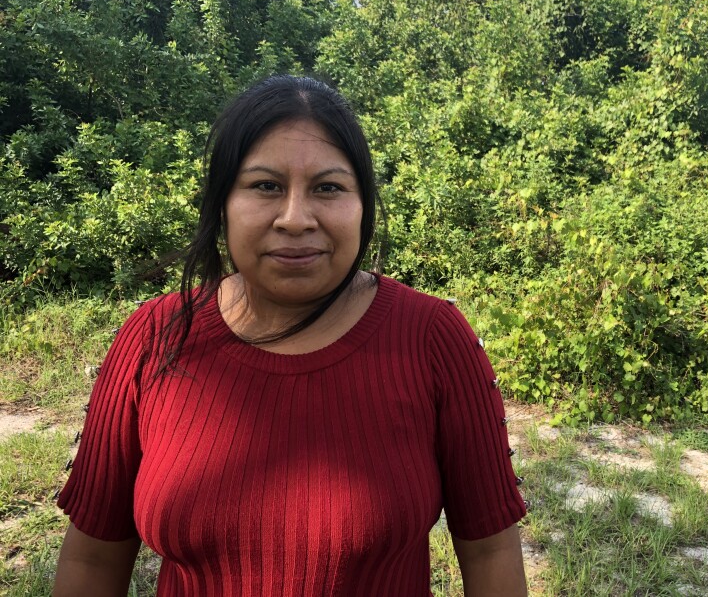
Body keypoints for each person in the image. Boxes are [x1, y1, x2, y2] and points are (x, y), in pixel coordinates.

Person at [53, 75, 528, 596]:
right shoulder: (153, 338)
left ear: (362, 204)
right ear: (222, 204)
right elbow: (94, 560)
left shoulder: (434, 338)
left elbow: (490, 550)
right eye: (265, 186)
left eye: (328, 187)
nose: (296, 218)